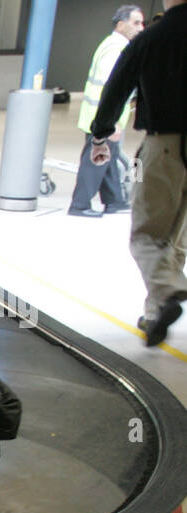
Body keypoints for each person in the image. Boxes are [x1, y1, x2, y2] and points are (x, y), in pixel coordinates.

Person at [90, 0, 187, 347]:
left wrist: (100, 133)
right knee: (176, 239)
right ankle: (155, 313)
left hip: (162, 148)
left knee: (147, 235)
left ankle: (168, 292)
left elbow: (117, 88)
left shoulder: (152, 37)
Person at [70, 5, 144, 217]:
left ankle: (114, 201)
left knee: (109, 159)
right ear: (121, 25)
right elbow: (109, 88)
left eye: (142, 23)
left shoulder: (114, 45)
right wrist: (110, 123)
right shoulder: (115, 49)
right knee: (96, 161)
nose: (141, 27)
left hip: (99, 117)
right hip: (101, 120)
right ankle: (80, 204)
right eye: (135, 23)